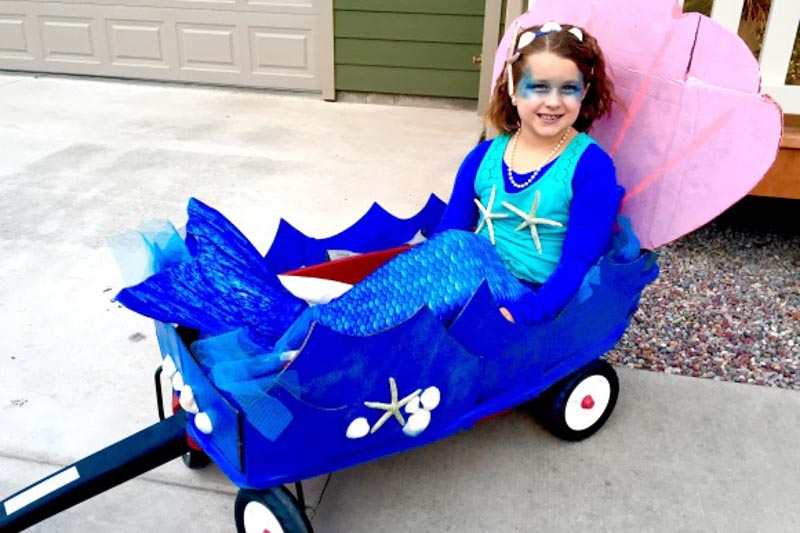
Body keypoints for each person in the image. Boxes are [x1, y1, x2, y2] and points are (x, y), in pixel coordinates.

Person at [435, 21, 620, 325]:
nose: (553, 102)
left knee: (458, 255)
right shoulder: (484, 156)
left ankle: (353, 322)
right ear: (513, 88)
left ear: (584, 91)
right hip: (472, 278)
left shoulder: (591, 167)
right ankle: (346, 310)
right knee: (450, 250)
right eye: (539, 87)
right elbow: (449, 234)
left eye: (568, 89)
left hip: (530, 296)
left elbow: (579, 260)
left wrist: (530, 311)